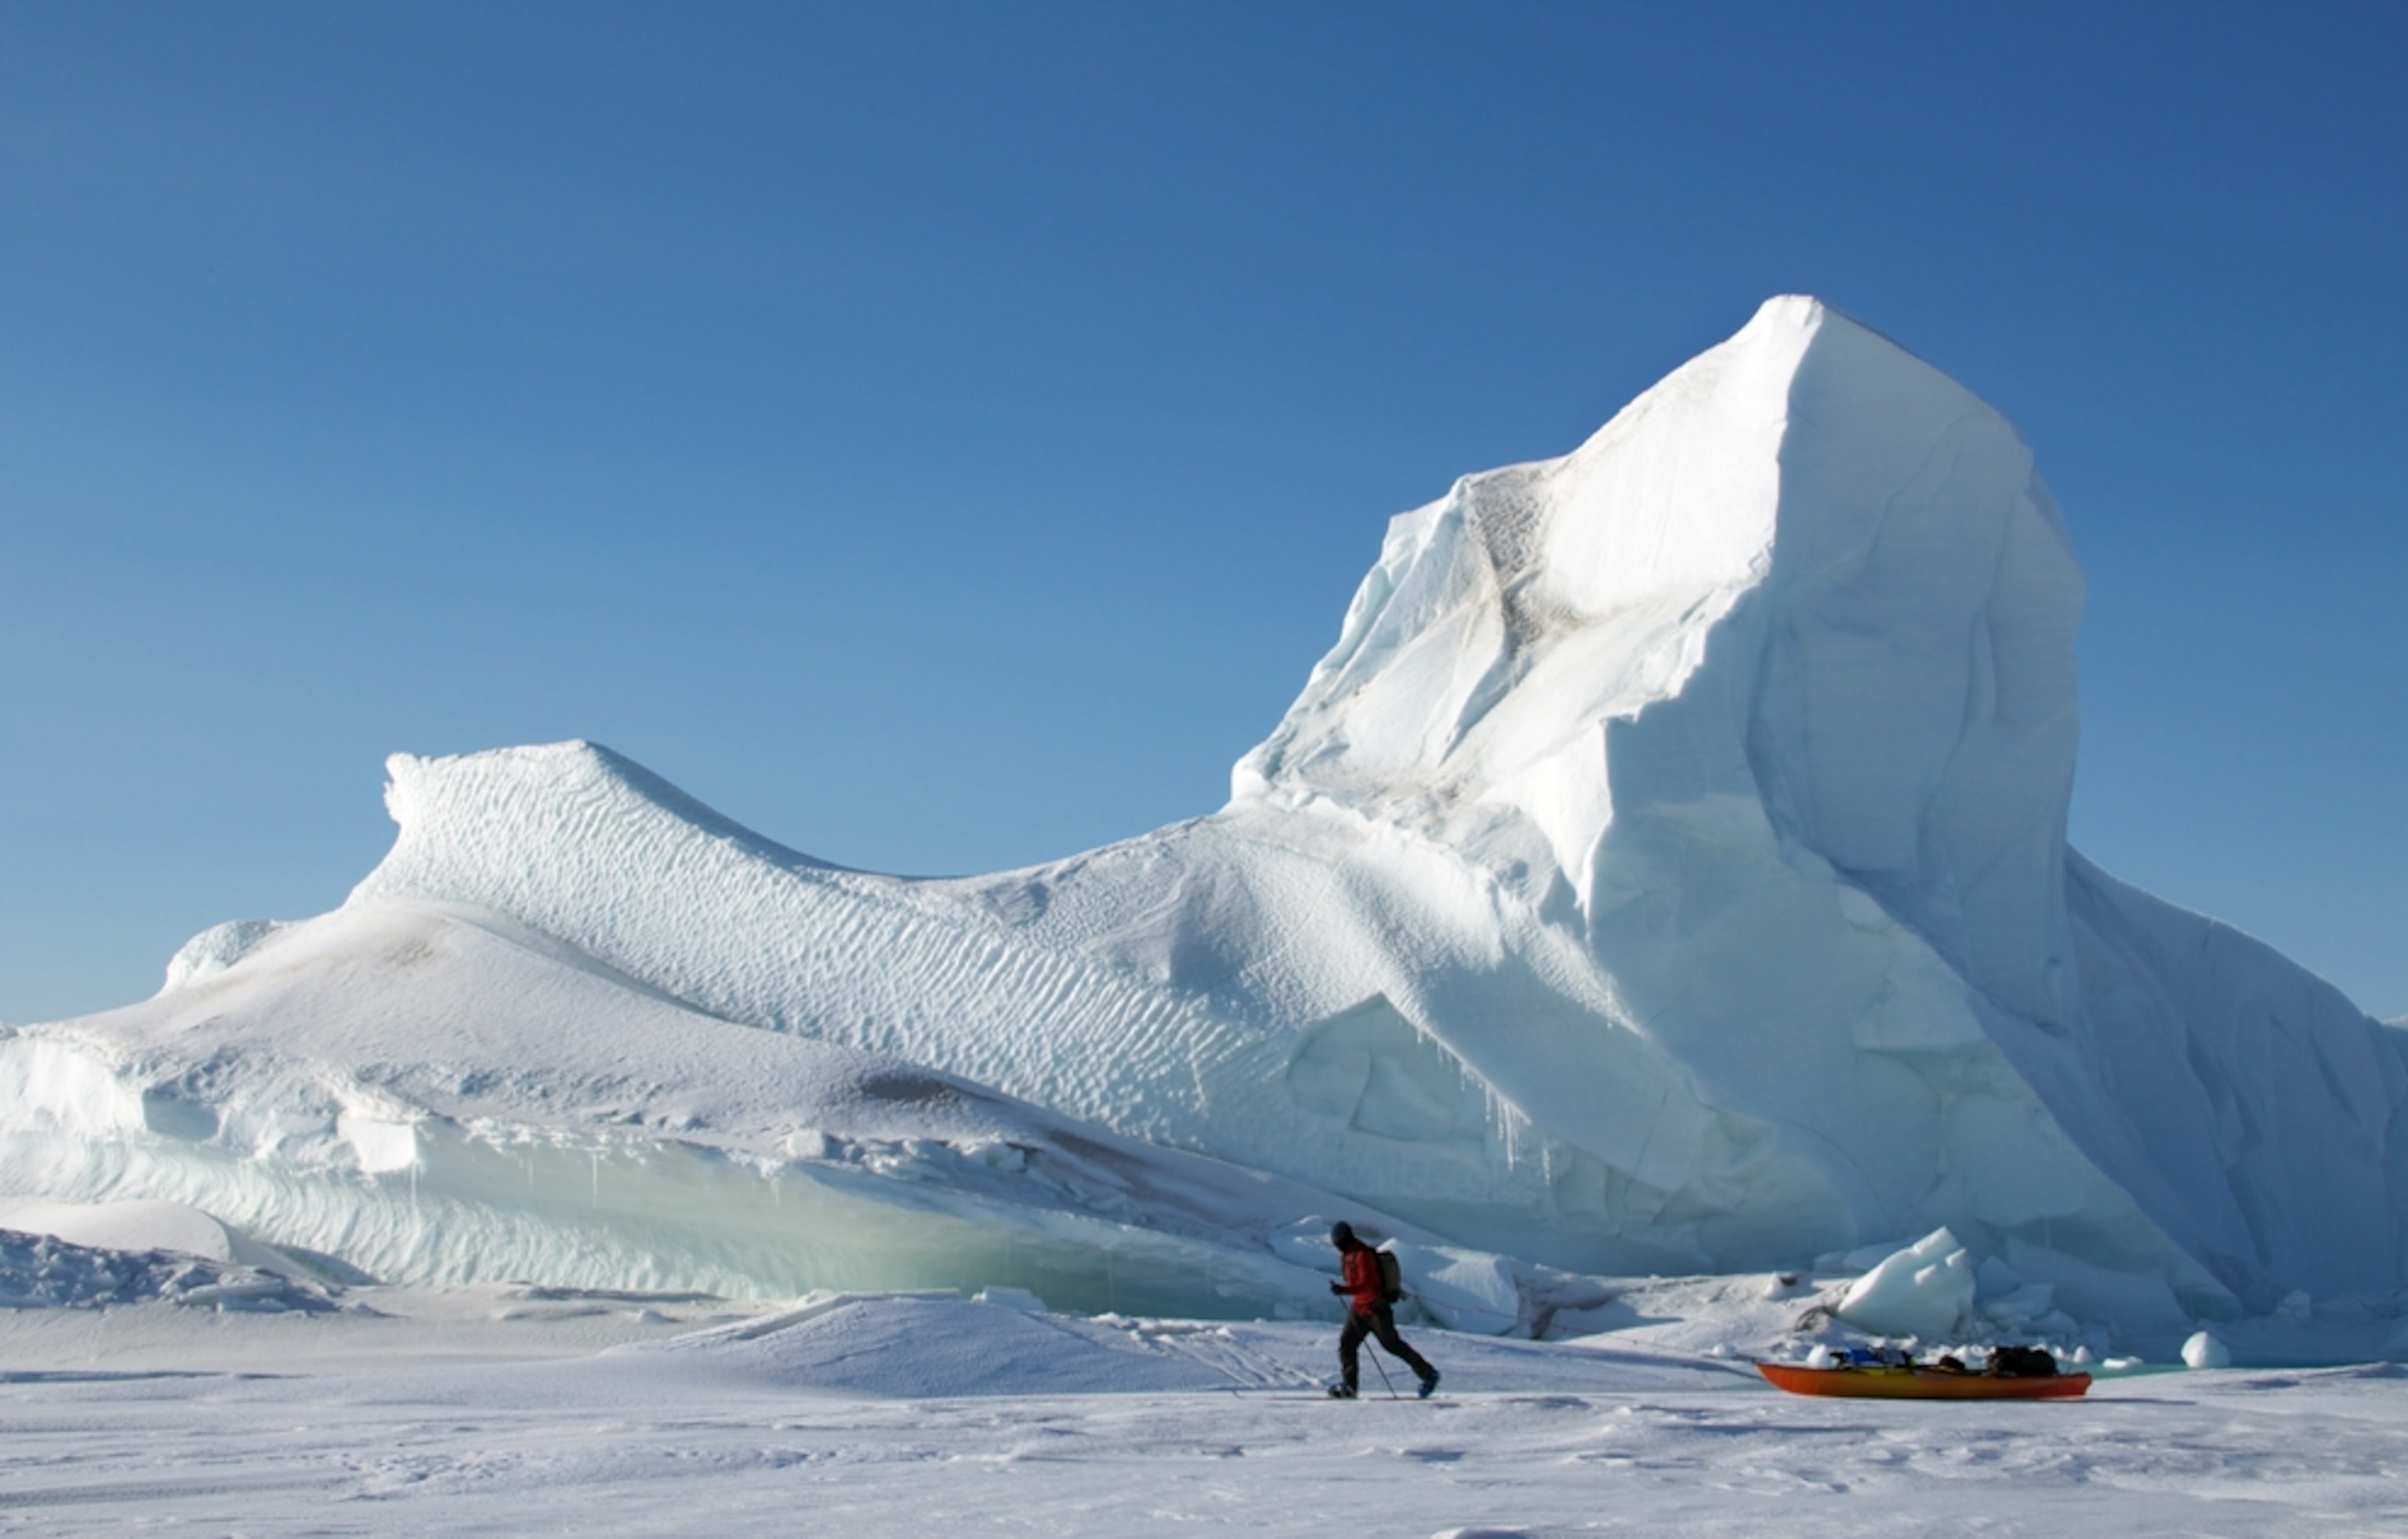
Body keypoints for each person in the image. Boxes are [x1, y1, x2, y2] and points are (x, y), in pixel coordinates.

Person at [1327, 1220, 1439, 1399]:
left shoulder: (1363, 1255)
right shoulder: (1346, 1256)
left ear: (1346, 1239)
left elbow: (1368, 1284)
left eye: (1339, 1242)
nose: (1338, 1246)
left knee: (1392, 1345)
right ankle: (1350, 1387)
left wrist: (1344, 1290)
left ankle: (1428, 1374)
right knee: (1347, 1345)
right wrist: (1346, 1290)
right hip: (1359, 1309)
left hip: (1376, 1309)